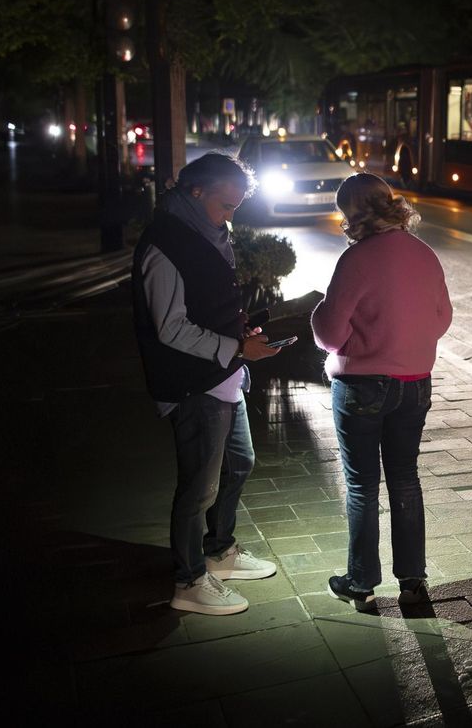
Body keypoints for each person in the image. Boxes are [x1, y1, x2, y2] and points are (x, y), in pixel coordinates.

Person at [132, 152, 285, 616]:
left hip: (222, 374)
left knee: (240, 463)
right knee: (198, 487)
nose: (231, 215)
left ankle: (219, 552)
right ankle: (189, 580)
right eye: (226, 204)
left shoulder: (208, 230)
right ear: (195, 192)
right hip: (192, 383)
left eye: (237, 206)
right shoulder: (165, 243)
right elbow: (170, 327)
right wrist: (236, 348)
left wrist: (242, 335)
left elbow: (211, 301)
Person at [312, 173, 452, 610]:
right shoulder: (425, 254)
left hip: (362, 387)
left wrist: (318, 311)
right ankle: (413, 580)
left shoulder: (357, 260)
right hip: (415, 385)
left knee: (362, 486)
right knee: (406, 480)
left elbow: (331, 334)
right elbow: (443, 318)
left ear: (352, 213)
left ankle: (360, 582)